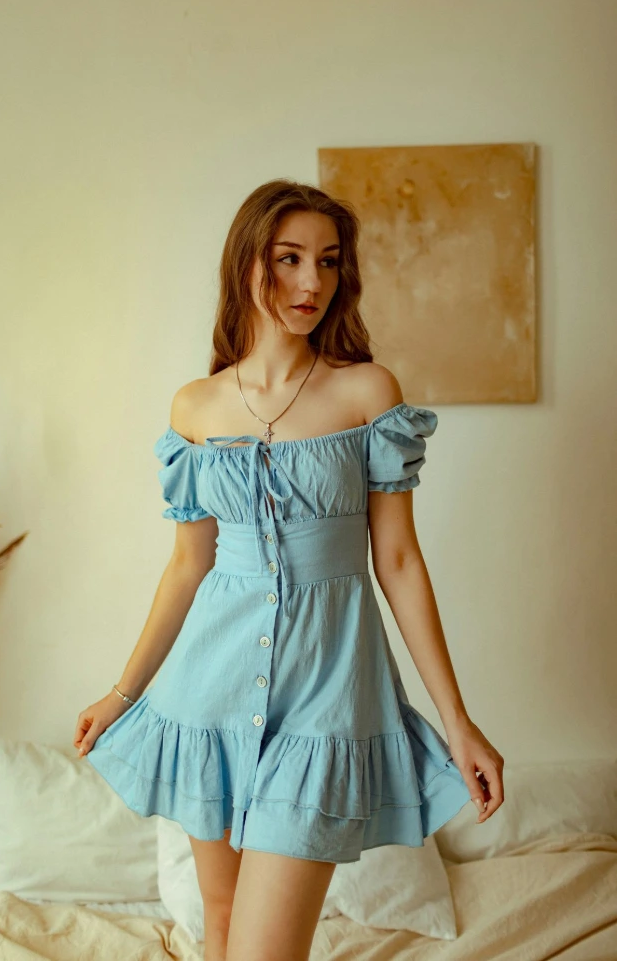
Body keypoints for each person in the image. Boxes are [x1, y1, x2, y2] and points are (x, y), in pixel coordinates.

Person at [74, 179, 504, 961]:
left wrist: (458, 721)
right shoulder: (195, 408)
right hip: (210, 691)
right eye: (290, 259)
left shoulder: (367, 395)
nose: (312, 283)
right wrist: (122, 692)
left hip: (327, 697)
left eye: (329, 263)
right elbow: (187, 566)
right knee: (222, 921)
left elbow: (399, 561)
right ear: (248, 264)